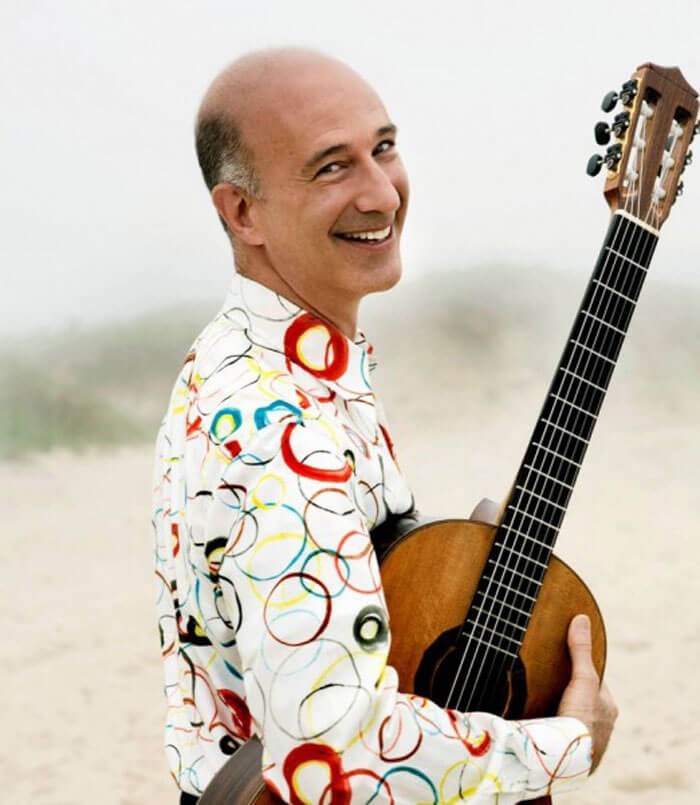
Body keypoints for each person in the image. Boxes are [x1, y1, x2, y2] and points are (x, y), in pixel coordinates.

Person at [151, 47, 618, 804]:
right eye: (331, 167)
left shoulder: (250, 356)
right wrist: (564, 745)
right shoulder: (279, 427)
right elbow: (331, 753)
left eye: (385, 148)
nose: (381, 193)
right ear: (242, 212)